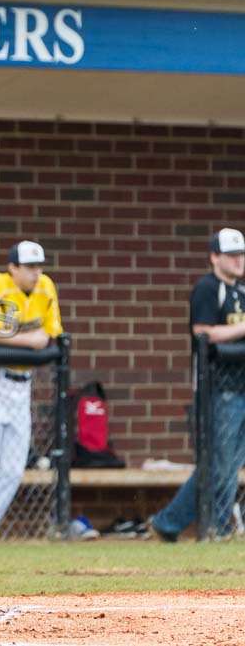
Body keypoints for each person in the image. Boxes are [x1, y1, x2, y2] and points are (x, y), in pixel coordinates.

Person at [151, 228, 245, 541]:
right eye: (231, 256)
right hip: (218, 389)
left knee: (229, 464)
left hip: (241, 387)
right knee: (217, 463)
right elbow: (203, 332)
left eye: (241, 255)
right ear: (214, 257)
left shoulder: (240, 292)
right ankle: (196, 523)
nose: (238, 261)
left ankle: (191, 524)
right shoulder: (208, 288)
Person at [0, 241, 63, 543]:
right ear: (13, 268)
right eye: (29, 267)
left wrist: (25, 338)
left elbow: (51, 335)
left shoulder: (46, 287)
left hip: (22, 386)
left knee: (14, 466)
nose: (36, 272)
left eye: (39, 266)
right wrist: (31, 339)